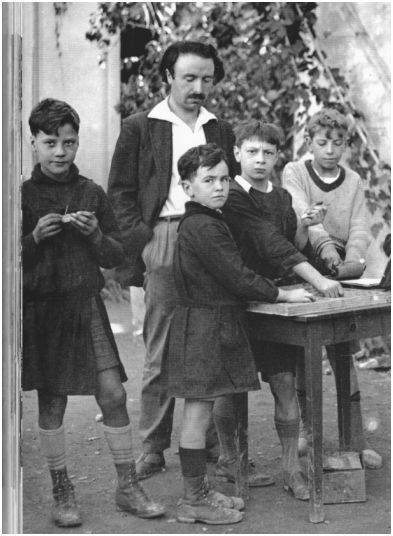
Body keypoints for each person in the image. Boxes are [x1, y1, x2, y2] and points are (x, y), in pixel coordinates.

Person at [22, 99, 165, 528]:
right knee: (52, 402)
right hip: (43, 312)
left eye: (69, 142)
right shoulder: (22, 195)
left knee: (114, 395)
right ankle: (61, 489)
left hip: (86, 309)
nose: (61, 152)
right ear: (34, 144)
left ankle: (127, 486)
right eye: (50, 143)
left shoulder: (90, 193)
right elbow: (9, 258)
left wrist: (96, 232)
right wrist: (33, 237)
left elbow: (116, 254)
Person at [162, 143, 314, 524]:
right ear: (186, 187)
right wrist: (282, 292)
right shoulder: (203, 226)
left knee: (204, 409)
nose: (219, 187)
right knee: (197, 413)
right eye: (208, 180)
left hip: (209, 324)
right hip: (203, 327)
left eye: (224, 179)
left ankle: (200, 492)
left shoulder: (210, 221)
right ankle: (193, 499)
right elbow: (236, 276)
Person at [107, 41, 238, 480]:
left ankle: (212, 442)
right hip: (163, 237)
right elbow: (121, 195)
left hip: (211, 238)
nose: (198, 87)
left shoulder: (219, 128)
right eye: (189, 78)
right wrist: (147, 244)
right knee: (160, 344)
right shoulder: (141, 126)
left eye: (206, 79)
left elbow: (230, 189)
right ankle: (153, 445)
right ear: (167, 77)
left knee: (212, 339)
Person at [212, 120, 344, 501]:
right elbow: (268, 244)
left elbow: (292, 245)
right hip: (236, 301)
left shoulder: (283, 197)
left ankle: (291, 468)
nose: (259, 160)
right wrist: (319, 282)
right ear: (237, 154)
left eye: (268, 153)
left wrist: (305, 227)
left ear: (277, 157)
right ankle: (230, 459)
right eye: (251, 152)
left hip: (276, 302)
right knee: (229, 389)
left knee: (284, 384)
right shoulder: (232, 195)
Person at [282, 108, 383, 469]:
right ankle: (309, 432)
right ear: (309, 142)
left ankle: (355, 440)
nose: (329, 149)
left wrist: (353, 259)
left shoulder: (353, 179)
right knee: (305, 356)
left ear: (346, 145)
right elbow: (302, 214)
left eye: (337, 143)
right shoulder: (294, 172)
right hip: (307, 267)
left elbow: (359, 223)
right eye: (322, 142)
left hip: (343, 271)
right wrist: (326, 252)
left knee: (345, 353)